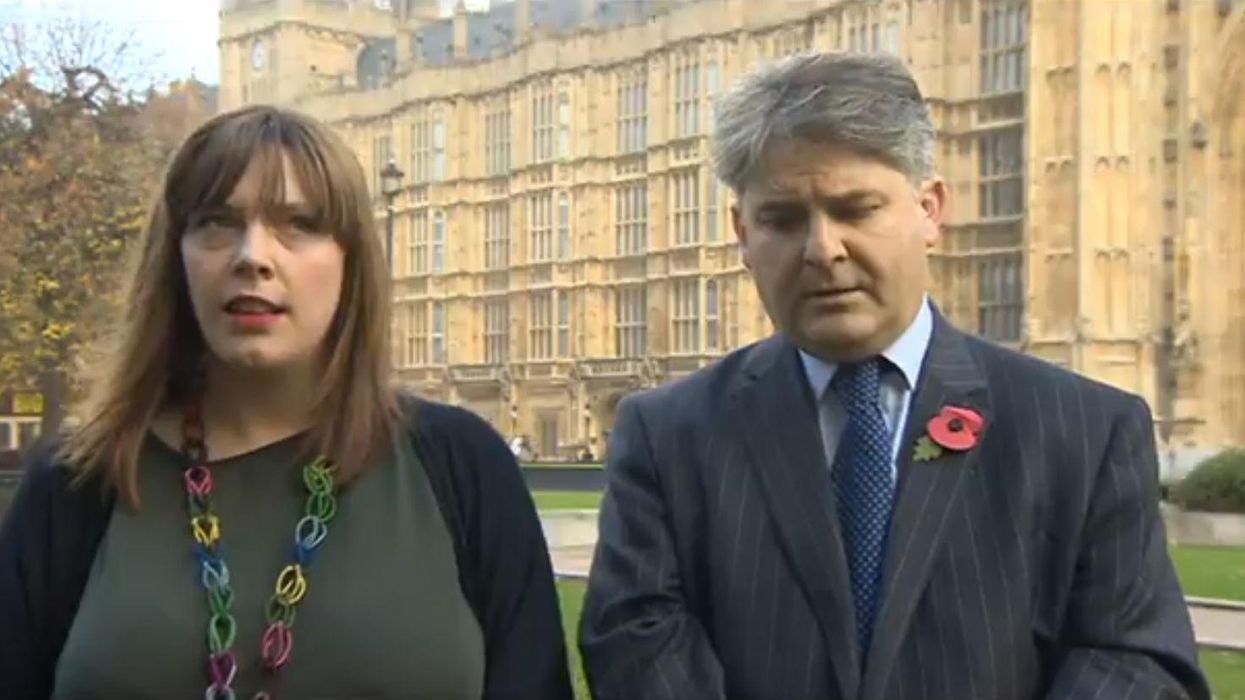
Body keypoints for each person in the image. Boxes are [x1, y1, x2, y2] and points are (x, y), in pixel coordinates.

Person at [579, 52, 1209, 700]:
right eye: (783, 219)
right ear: (741, 232)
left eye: (855, 209)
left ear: (930, 209)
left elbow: (1134, 661)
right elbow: (635, 642)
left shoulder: (1083, 430)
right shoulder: (667, 434)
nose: (822, 249)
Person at [0, 105, 572, 700]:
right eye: (218, 221)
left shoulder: (460, 466)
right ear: (175, 258)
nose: (253, 255)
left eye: (298, 223)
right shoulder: (79, 483)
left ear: (352, 261)